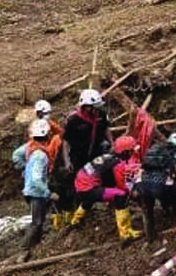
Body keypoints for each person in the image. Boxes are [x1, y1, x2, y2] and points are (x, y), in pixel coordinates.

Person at [61, 89, 112, 225]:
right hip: (78, 157)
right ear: (85, 107)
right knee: (78, 185)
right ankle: (76, 216)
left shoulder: (101, 116)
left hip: (95, 156)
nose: (96, 110)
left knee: (96, 180)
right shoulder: (74, 121)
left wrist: (113, 144)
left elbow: (106, 129)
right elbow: (65, 142)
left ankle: (92, 207)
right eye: (93, 108)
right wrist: (67, 161)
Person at [73, 146, 142, 243]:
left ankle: (75, 220)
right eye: (131, 151)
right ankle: (125, 233)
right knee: (120, 195)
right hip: (89, 188)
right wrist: (131, 193)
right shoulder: (117, 164)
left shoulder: (107, 157)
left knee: (88, 200)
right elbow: (121, 184)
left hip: (80, 185)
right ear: (125, 152)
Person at [18, 119, 55, 262]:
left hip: (32, 191)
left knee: (40, 220)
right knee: (37, 222)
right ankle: (24, 249)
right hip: (36, 193)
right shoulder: (40, 155)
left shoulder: (32, 150)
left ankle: (36, 245)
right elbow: (36, 179)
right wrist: (48, 193)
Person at [140, 132, 176, 237]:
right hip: (162, 185)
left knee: (147, 209)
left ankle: (149, 236)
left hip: (143, 185)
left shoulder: (154, 150)